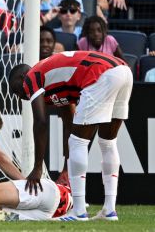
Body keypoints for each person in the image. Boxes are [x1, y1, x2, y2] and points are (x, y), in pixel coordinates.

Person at [9, 51, 134, 221]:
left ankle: (79, 212)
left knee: (78, 142)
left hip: (100, 73)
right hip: (123, 71)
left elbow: (40, 122)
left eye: (15, 88)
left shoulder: (31, 77)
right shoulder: (56, 82)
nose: (19, 95)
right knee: (107, 142)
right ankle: (109, 211)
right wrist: (67, 169)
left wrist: (38, 167)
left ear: (23, 75)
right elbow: (70, 124)